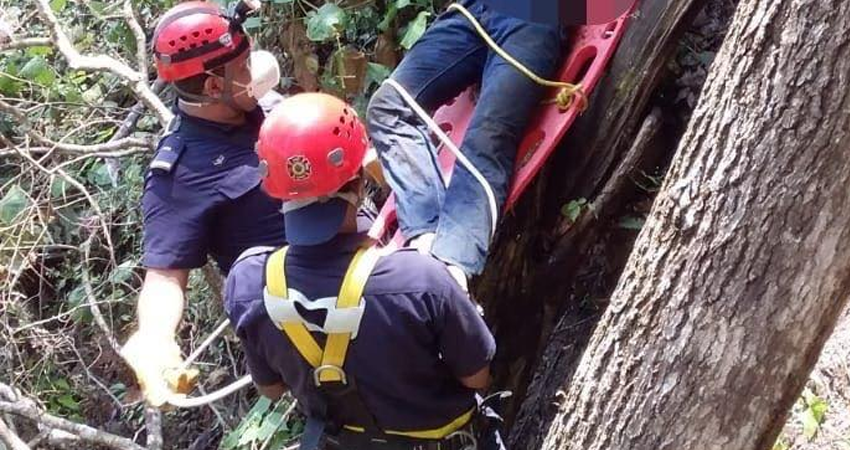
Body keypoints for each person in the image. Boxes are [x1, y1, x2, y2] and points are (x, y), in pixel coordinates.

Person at [225, 93, 498, 449]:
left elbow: (271, 388)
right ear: (358, 180)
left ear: (275, 190)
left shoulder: (246, 283)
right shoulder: (420, 279)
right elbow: (477, 378)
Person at [120, 1, 287, 407]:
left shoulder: (255, 105)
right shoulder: (180, 175)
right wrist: (155, 337)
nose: (256, 71)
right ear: (213, 87)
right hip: (312, 311)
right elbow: (164, 276)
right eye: (244, 66)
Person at [366, 0, 563, 290]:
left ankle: (451, 269)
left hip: (535, 18)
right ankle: (424, 237)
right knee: (388, 105)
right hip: (472, 13)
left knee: (487, 136)